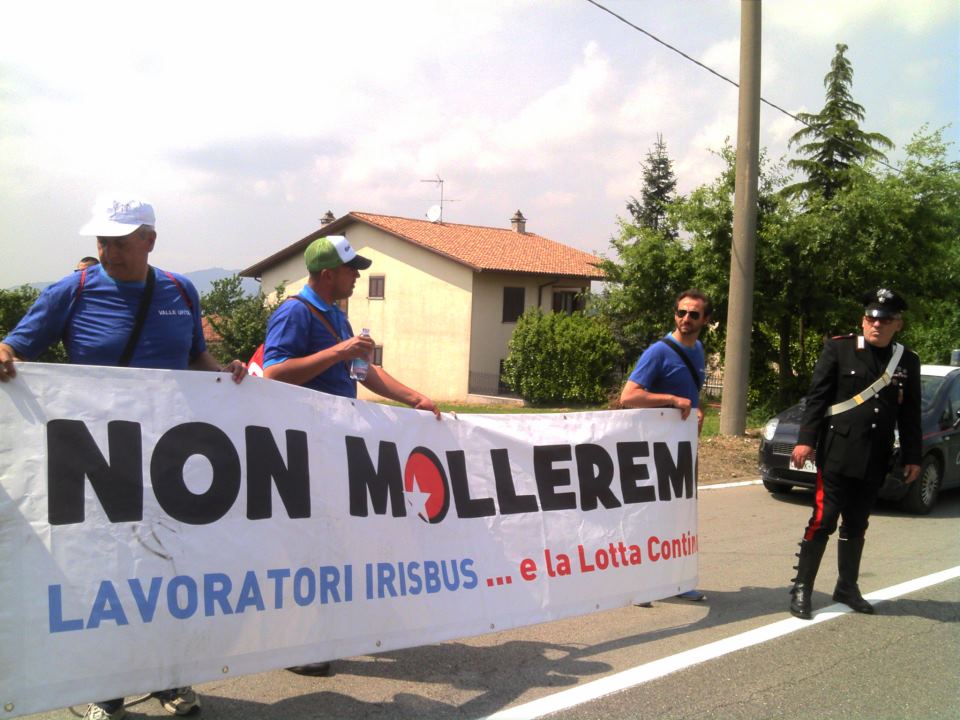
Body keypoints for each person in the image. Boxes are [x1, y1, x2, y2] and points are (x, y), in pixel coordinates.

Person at [0, 196, 246, 719]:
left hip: (171, 465)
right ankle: (104, 688)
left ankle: (169, 679)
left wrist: (227, 372)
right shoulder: (73, 290)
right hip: (98, 468)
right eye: (101, 241)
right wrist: (4, 353)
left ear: (149, 239)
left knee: (172, 569)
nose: (107, 251)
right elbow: (17, 347)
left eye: (119, 240)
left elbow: (195, 358)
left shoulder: (181, 291)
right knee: (105, 575)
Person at [262, 234, 440, 675]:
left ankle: (321, 633)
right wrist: (339, 350)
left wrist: (414, 397)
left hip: (330, 445)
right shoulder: (294, 312)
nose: (358, 276)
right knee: (307, 544)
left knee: (331, 540)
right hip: (300, 448)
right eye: (351, 269)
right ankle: (297, 646)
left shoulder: (336, 317)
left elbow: (363, 372)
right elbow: (274, 373)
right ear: (327, 275)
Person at [787, 288, 921, 620]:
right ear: (864, 320)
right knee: (823, 520)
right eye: (872, 319)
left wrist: (913, 457)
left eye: (885, 320)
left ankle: (847, 586)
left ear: (897, 325)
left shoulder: (906, 361)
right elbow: (817, 397)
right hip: (837, 452)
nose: (877, 325)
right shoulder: (840, 348)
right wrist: (805, 440)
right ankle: (802, 588)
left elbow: (910, 414)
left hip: (875, 457)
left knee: (858, 523)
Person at [619, 288, 711, 603]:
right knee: (646, 515)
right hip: (650, 450)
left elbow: (691, 397)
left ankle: (675, 582)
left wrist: (696, 410)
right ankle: (638, 583)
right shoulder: (658, 352)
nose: (686, 319)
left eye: (693, 314)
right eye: (681, 312)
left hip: (680, 451)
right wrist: (672, 400)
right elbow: (628, 395)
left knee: (675, 517)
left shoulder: (698, 350)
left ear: (705, 320)